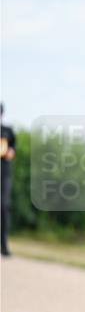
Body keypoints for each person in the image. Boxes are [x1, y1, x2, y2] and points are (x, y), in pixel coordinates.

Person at [1, 103, 16, 257]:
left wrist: (10, 152)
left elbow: (13, 149)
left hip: (4, 174)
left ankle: (3, 246)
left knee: (3, 207)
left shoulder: (8, 131)